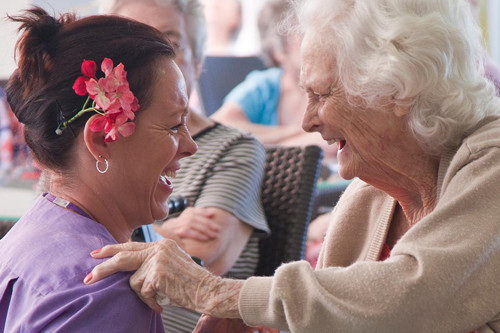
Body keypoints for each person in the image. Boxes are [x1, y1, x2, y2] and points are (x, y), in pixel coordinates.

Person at [87, 0, 500, 332]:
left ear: (395, 91)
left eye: (320, 94)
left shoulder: (491, 160)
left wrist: (222, 294)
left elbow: (416, 297)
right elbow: (348, 316)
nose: (307, 121)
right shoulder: (368, 193)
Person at [0, 7, 198, 332]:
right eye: (175, 125)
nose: (191, 145)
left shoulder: (21, 242)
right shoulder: (104, 290)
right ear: (101, 139)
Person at [100, 1, 269, 332]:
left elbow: (195, 260)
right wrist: (164, 233)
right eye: (132, 47)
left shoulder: (234, 148)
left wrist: (135, 236)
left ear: (198, 60)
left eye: (169, 44)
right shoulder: (101, 144)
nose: (152, 61)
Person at [211, 0, 337, 158]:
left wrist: (266, 148)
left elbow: (333, 143)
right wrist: (298, 134)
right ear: (277, 50)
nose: (315, 40)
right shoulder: (264, 86)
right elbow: (216, 131)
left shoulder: (333, 85)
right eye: (301, 32)